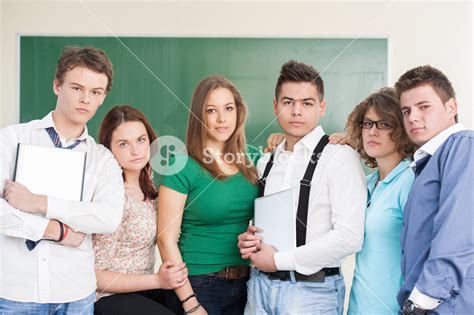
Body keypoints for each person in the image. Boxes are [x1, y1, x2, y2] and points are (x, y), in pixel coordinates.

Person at [0, 46, 124, 313]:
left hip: (76, 294)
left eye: (95, 92)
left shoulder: (102, 159)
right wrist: (57, 231)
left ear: (103, 97)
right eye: (77, 88)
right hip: (16, 293)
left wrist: (37, 203)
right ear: (57, 86)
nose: (86, 100)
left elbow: (108, 217)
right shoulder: (11, 139)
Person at [238, 60, 366, 314]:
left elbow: (349, 238)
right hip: (259, 289)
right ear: (276, 106)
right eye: (288, 102)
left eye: (307, 103)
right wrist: (250, 240)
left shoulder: (340, 158)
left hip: (312, 294)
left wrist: (277, 261)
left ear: (322, 106)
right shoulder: (267, 160)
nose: (297, 111)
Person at [157, 75, 261, 315]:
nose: (222, 119)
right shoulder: (181, 164)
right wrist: (190, 302)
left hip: (246, 284)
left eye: (228, 108)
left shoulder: (253, 158)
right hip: (198, 284)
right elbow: (166, 239)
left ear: (238, 112)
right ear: (198, 115)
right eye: (211, 110)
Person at [93, 105, 188, 315]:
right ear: (108, 149)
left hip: (144, 290)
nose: (136, 151)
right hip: (109, 297)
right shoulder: (114, 196)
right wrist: (157, 280)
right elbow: (96, 276)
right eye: (123, 144)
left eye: (141, 140)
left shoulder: (150, 185)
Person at [394, 65, 473, 314]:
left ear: (451, 107)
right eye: (406, 111)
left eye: (423, 106)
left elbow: (458, 232)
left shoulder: (462, 146)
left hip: (445, 304)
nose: (413, 117)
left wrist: (421, 302)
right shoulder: (428, 161)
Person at [338, 87, 416, 314]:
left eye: (384, 124)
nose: (372, 131)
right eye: (367, 123)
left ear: (402, 129)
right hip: (357, 308)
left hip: (394, 309)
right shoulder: (368, 183)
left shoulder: (410, 181)